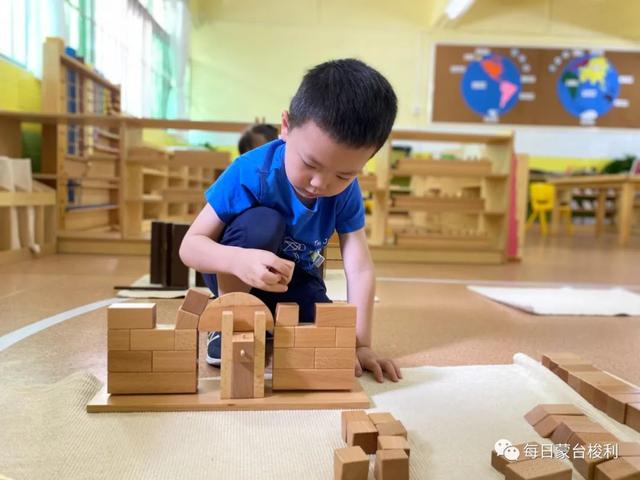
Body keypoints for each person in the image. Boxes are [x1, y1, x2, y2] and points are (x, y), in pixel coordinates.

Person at [179, 58, 402, 382]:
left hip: (294, 279)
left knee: (325, 336)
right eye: (309, 163)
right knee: (263, 223)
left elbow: (360, 266)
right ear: (285, 125)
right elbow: (190, 246)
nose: (319, 183)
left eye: (342, 174)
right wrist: (239, 260)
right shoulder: (250, 172)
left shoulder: (347, 192)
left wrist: (361, 343)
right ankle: (231, 321)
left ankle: (269, 324)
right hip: (236, 275)